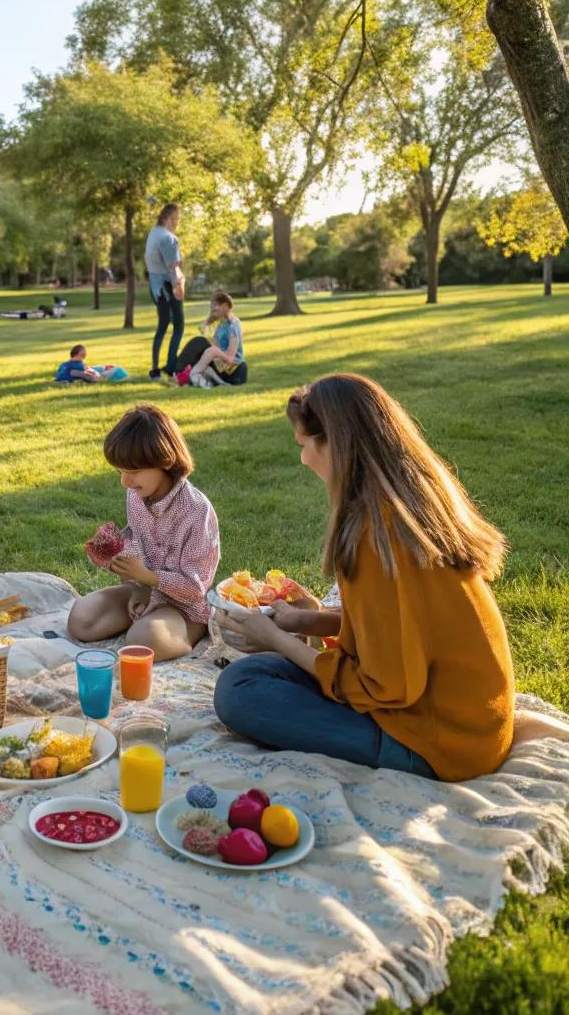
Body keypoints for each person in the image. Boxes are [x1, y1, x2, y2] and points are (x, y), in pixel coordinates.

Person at [215, 374, 515, 780]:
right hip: (472, 724)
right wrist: (308, 621)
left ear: (335, 445)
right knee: (251, 674)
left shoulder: (376, 539)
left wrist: (278, 641)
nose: (303, 460)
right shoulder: (411, 509)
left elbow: (385, 686)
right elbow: (402, 623)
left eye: (304, 446)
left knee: (239, 693)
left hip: (436, 741)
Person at [68, 404, 218, 661]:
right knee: (81, 620)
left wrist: (149, 578)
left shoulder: (196, 510)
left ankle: (185, 636)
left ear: (164, 461)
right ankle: (148, 620)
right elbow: (136, 543)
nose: (124, 482)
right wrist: (136, 583)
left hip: (185, 608)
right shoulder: (136, 495)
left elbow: (196, 588)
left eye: (133, 471)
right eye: (120, 471)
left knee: (141, 641)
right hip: (145, 590)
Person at [144, 202, 185, 380]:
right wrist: (179, 287)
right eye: (176, 219)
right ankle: (170, 366)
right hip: (168, 286)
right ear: (169, 218)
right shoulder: (168, 238)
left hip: (155, 286)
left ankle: (155, 368)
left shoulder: (153, 233)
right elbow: (174, 267)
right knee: (179, 325)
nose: (177, 223)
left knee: (162, 325)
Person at [175, 292, 248, 387]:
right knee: (199, 345)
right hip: (221, 367)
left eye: (217, 305)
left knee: (201, 342)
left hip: (234, 373)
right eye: (212, 305)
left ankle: (181, 373)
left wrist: (214, 351)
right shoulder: (221, 325)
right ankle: (180, 373)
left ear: (226, 306)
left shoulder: (233, 325)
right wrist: (209, 320)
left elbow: (230, 359)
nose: (213, 308)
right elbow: (203, 331)